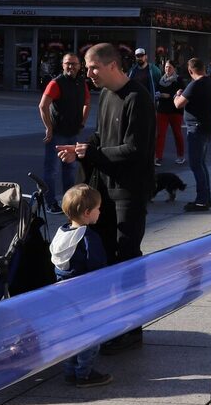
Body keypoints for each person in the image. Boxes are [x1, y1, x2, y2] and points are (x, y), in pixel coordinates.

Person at [59, 42, 155, 352]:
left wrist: (95, 153)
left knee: (127, 257)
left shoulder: (138, 98)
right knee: (106, 257)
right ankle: (114, 323)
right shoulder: (107, 95)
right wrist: (81, 150)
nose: (88, 74)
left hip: (128, 192)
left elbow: (136, 150)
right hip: (105, 191)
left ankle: (131, 328)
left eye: (93, 68)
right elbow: (101, 137)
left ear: (112, 65)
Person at [48, 184, 112, 388]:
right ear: (87, 213)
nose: (100, 211)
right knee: (90, 336)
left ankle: (70, 370)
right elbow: (97, 267)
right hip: (87, 296)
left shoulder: (61, 235)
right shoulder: (88, 238)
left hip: (64, 295)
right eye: (98, 208)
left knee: (71, 334)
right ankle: (84, 373)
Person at [38, 53, 90, 207]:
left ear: (80, 66)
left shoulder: (82, 82)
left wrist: (82, 122)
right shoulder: (56, 83)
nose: (71, 66)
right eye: (67, 63)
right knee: (52, 170)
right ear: (62, 65)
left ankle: (68, 203)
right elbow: (43, 105)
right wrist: (48, 127)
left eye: (74, 64)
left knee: (70, 169)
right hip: (57, 134)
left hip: (73, 133)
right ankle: (50, 203)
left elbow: (87, 103)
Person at [173, 57, 211, 212]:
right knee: (202, 163)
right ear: (204, 68)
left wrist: (177, 95)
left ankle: (201, 200)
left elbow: (178, 104)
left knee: (196, 165)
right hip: (209, 128)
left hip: (196, 128)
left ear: (190, 70)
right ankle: (207, 198)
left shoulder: (194, 85)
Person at [154, 61, 187, 167]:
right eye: (166, 67)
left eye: (170, 67)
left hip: (175, 111)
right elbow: (157, 90)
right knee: (160, 134)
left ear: (174, 68)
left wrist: (170, 95)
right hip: (162, 110)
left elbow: (182, 93)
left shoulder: (178, 79)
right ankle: (158, 156)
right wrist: (158, 95)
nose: (167, 69)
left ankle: (181, 156)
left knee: (177, 134)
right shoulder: (161, 80)